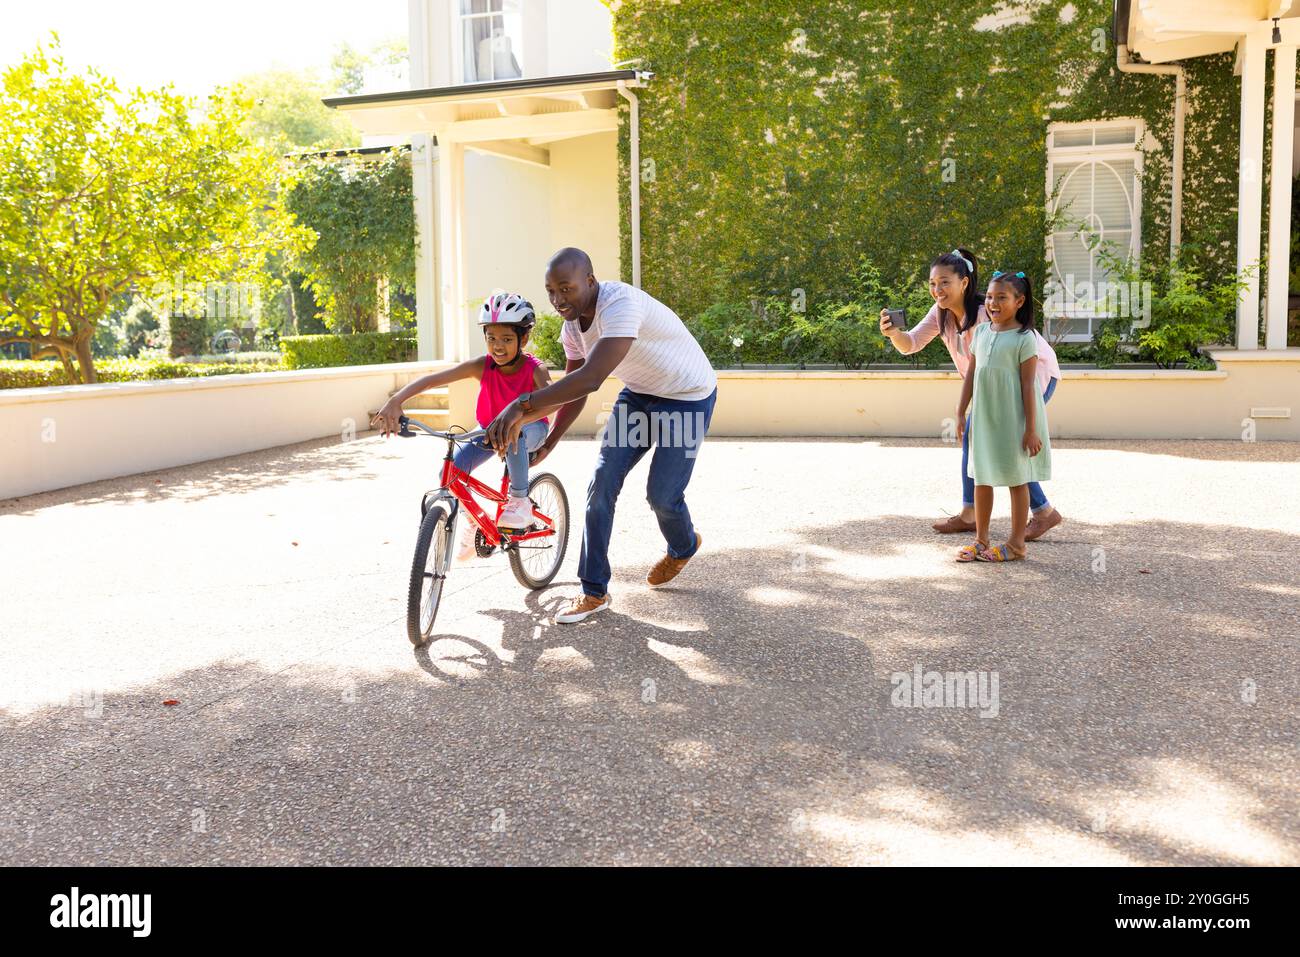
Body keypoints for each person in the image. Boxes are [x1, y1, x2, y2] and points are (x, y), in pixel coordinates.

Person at [484, 247, 718, 624]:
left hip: (687, 397)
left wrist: (521, 404)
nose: (559, 300)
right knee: (601, 484)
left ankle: (684, 545)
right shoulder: (572, 327)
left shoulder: (620, 304)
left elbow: (591, 378)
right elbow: (575, 389)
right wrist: (550, 440)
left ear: (590, 281)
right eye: (551, 291)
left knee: (662, 496)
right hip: (640, 395)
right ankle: (593, 591)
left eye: (566, 289)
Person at [880, 248, 1063, 540]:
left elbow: (1011, 361)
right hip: (993, 387)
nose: (937, 289)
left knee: (1010, 445)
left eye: (944, 282)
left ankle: (1037, 513)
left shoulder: (985, 314)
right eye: (932, 283)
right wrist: (893, 335)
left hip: (1033, 376)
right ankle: (981, 514)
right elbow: (911, 343)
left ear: (964, 283)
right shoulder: (940, 313)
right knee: (977, 444)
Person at [371, 292, 553, 559]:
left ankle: (520, 500)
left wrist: (521, 420)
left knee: (516, 432)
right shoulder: (483, 366)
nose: (497, 346)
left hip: (531, 430)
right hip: (489, 432)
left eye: (506, 339)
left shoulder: (535, 369)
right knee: (451, 475)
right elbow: (433, 380)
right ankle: (474, 522)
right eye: (491, 338)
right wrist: (396, 400)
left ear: (523, 339)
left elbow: (556, 400)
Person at [954, 271, 1052, 563]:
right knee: (981, 476)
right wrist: (960, 413)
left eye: (1001, 298)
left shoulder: (1026, 338)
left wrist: (1031, 429)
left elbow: (1027, 386)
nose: (993, 303)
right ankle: (981, 540)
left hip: (1014, 420)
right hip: (985, 417)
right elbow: (971, 374)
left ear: (1019, 301)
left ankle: (1017, 544)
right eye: (990, 297)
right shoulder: (982, 333)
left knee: (1016, 479)